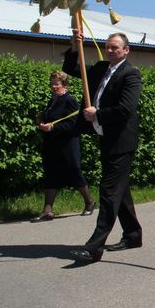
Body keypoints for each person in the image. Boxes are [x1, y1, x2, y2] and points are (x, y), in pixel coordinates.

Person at [65, 32, 143, 263]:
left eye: (115, 48)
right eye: (108, 47)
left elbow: (125, 109)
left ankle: (93, 247)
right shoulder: (100, 69)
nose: (110, 51)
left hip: (122, 142)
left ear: (126, 50)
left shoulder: (131, 74)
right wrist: (73, 46)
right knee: (121, 190)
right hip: (106, 138)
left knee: (109, 192)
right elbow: (72, 69)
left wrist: (97, 113)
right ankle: (133, 235)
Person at [31, 71, 95, 222]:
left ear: (64, 84)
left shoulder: (69, 100)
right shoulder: (52, 100)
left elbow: (73, 123)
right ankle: (47, 211)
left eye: (57, 84)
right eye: (52, 83)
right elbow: (50, 118)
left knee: (74, 172)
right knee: (51, 173)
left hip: (67, 143)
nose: (53, 86)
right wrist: (42, 122)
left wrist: (54, 128)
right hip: (52, 144)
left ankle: (89, 202)